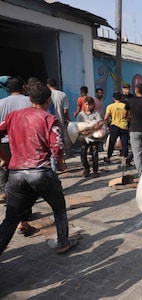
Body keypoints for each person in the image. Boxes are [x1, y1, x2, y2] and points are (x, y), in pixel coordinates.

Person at [0, 82, 78, 255]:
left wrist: (4, 159)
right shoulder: (49, 119)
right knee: (58, 207)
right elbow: (57, 146)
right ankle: (63, 242)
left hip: (16, 174)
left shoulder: (13, 116)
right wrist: (60, 164)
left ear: (30, 99)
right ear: (48, 101)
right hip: (40, 172)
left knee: (11, 219)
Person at [0, 76, 32, 232]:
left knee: (8, 176)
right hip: (23, 143)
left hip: (5, 143)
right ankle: (24, 216)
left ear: (8, 89)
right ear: (23, 87)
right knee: (24, 177)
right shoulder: (29, 101)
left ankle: (11, 206)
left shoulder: (1, 103)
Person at [77, 97, 104, 177]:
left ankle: (95, 170)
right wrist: (82, 132)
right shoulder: (81, 115)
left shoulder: (95, 113)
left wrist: (92, 130)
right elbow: (78, 125)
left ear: (93, 105)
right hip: (84, 138)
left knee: (94, 154)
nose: (88, 106)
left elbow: (101, 123)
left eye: (90, 104)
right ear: (84, 105)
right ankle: (86, 169)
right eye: (86, 104)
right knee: (83, 153)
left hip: (94, 137)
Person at [46, 78, 72, 157]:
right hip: (60, 120)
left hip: (48, 121)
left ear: (48, 85)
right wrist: (67, 119)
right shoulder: (62, 95)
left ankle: (53, 154)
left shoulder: (46, 94)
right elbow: (65, 110)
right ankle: (65, 153)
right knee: (62, 137)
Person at [104, 91, 130, 165]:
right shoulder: (125, 105)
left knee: (111, 143)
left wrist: (108, 125)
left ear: (113, 98)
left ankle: (108, 158)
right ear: (121, 97)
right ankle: (126, 160)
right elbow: (128, 116)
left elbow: (106, 118)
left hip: (114, 126)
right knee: (124, 143)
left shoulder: (110, 106)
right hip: (124, 126)